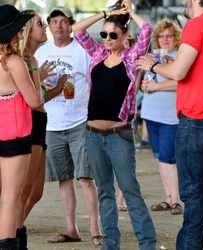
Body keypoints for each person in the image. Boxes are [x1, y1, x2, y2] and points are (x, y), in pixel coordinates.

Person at [136, 0, 203, 248]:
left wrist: (154, 65)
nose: (184, 3)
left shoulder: (196, 25)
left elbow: (179, 72)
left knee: (194, 195)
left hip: (196, 119)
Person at [73, 0, 157, 249]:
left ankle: (147, 243)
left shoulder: (132, 57)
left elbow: (148, 30)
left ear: (124, 35)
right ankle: (111, 244)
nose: (107, 38)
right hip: (92, 134)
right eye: (104, 33)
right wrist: (106, 13)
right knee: (105, 192)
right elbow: (77, 30)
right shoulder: (98, 53)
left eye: (112, 34)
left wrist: (131, 12)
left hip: (119, 135)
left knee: (130, 191)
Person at [35, 6, 102, 246]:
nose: (59, 26)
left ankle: (95, 229)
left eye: (63, 21)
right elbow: (37, 87)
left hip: (79, 121)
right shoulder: (42, 52)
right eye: (54, 22)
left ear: (70, 24)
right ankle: (71, 228)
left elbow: (94, 81)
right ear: (49, 26)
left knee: (85, 177)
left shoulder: (82, 50)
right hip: (52, 124)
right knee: (64, 179)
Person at [16, 9, 68, 250]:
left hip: (39, 122)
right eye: (40, 23)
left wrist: (55, 90)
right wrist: (38, 74)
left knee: (35, 192)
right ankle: (13, 235)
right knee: (24, 191)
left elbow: (36, 98)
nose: (45, 26)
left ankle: (13, 230)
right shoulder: (23, 60)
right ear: (27, 29)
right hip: (29, 125)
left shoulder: (31, 59)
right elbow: (32, 100)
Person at [0, 5, 41, 249]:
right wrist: (34, 69)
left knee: (5, 196)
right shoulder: (13, 61)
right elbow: (35, 101)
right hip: (15, 132)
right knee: (11, 197)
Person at [140, 18, 182, 215]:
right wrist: (146, 86)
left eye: (169, 35)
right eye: (161, 36)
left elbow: (180, 82)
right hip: (151, 113)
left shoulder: (180, 56)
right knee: (160, 158)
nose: (165, 39)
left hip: (170, 116)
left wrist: (156, 86)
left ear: (176, 38)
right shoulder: (152, 56)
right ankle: (168, 197)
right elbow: (146, 81)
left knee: (169, 158)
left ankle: (176, 200)